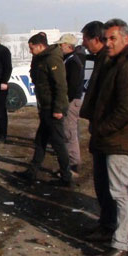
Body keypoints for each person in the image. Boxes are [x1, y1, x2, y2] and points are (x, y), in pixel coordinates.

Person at [85, 18, 128, 256]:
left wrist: (103, 128)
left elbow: (127, 109)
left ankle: (123, 244)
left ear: (125, 38)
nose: (108, 43)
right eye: (105, 38)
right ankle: (119, 237)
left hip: (120, 139)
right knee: (114, 191)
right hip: (112, 138)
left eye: (112, 38)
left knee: (122, 193)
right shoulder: (117, 63)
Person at [14, 32, 73, 186]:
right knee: (40, 140)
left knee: (58, 143)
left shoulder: (52, 58)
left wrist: (58, 109)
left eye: (32, 48)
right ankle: (32, 172)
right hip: (46, 106)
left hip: (53, 108)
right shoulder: (41, 58)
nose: (30, 51)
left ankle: (66, 177)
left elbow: (60, 85)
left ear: (40, 46)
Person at [79, 20, 117, 242]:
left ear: (96, 39)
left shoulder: (109, 62)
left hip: (107, 133)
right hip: (101, 129)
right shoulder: (101, 60)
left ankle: (109, 226)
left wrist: (102, 125)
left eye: (85, 39)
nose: (83, 44)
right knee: (102, 182)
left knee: (108, 184)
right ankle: (105, 223)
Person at [59, 33, 85, 176]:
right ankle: (70, 165)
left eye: (61, 45)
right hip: (70, 100)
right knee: (67, 132)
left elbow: (73, 85)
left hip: (71, 101)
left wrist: (65, 101)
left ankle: (74, 166)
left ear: (68, 45)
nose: (59, 47)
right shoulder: (69, 59)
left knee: (70, 133)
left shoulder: (73, 62)